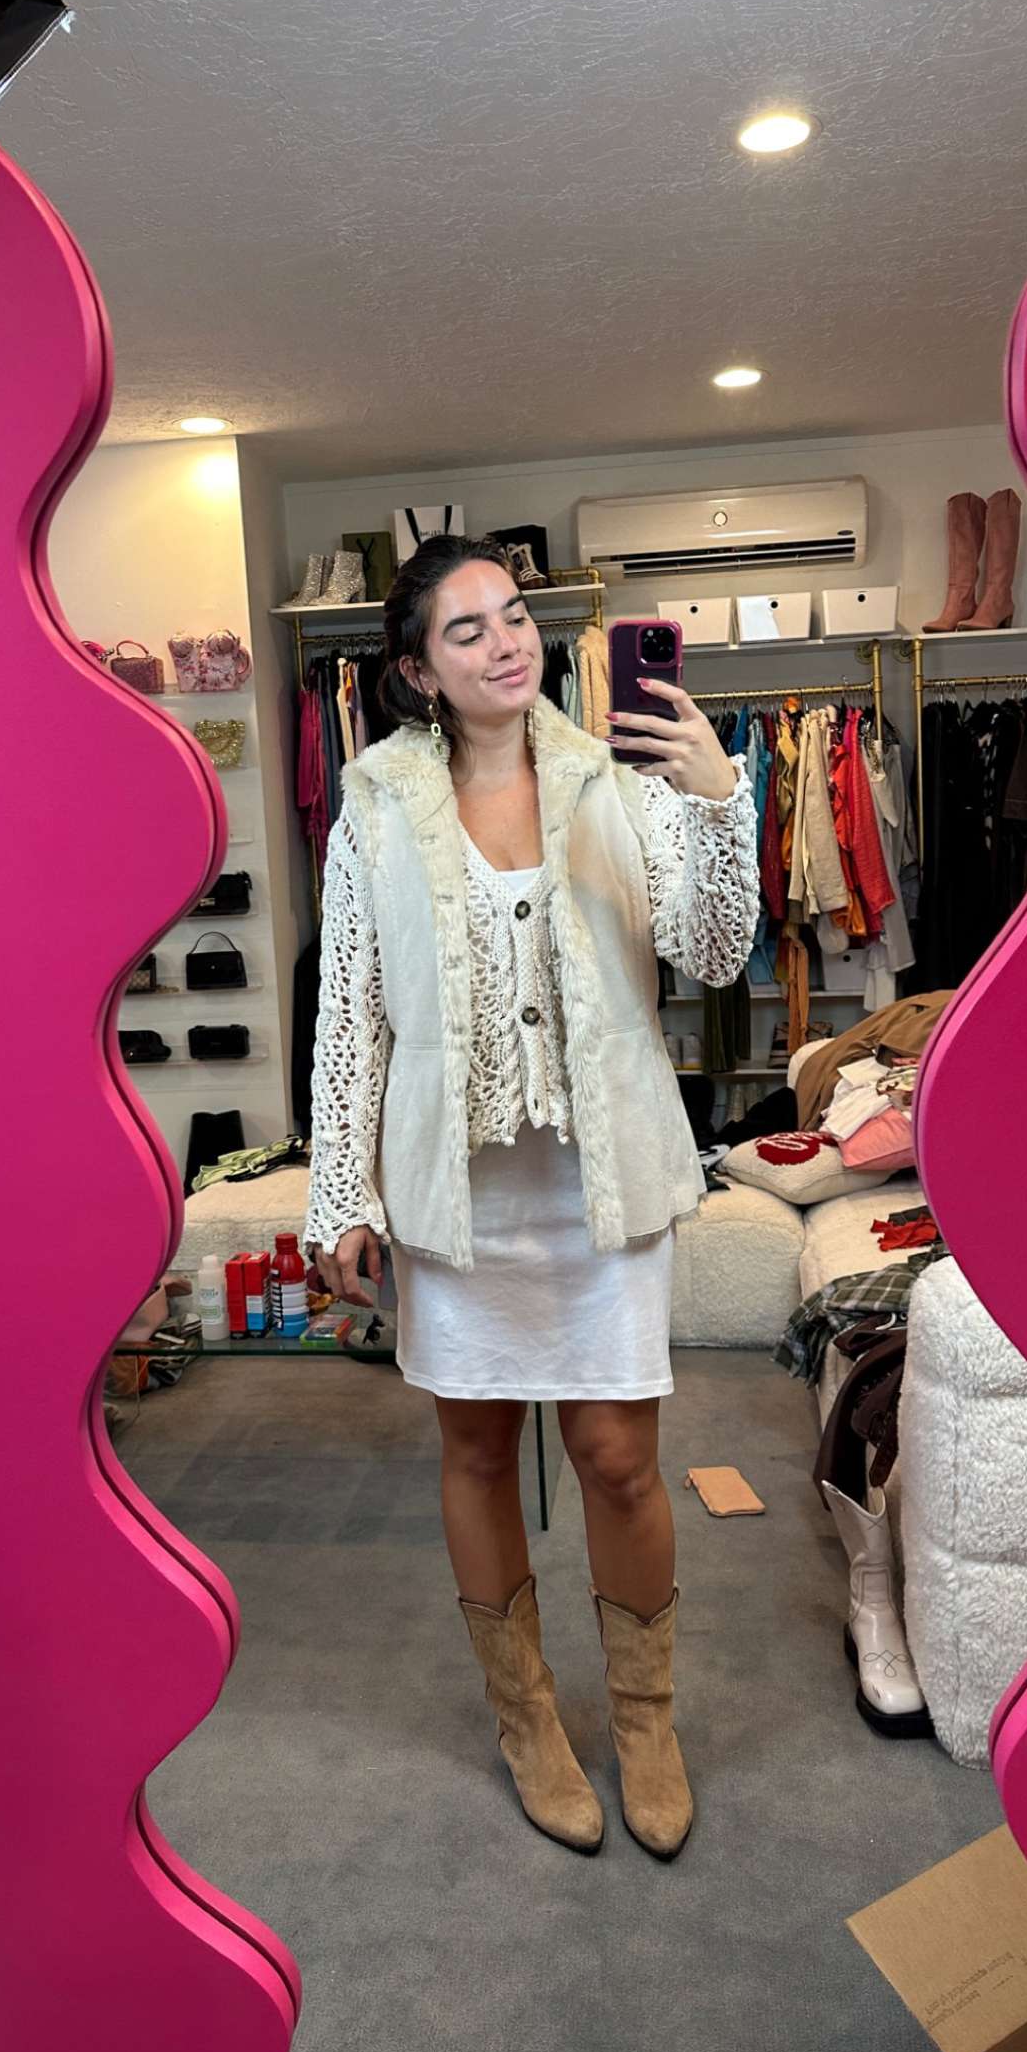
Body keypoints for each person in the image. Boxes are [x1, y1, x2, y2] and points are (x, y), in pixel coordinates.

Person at [303, 535, 759, 1857]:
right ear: (417, 671)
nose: (507, 643)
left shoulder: (616, 776)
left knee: (619, 1459)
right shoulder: (373, 804)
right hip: (457, 1198)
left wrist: (718, 799)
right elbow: (353, 1012)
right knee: (478, 1453)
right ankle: (527, 1721)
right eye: (468, 630)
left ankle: (647, 1722)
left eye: (515, 616)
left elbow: (715, 950)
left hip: (597, 1185)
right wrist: (341, 1191)